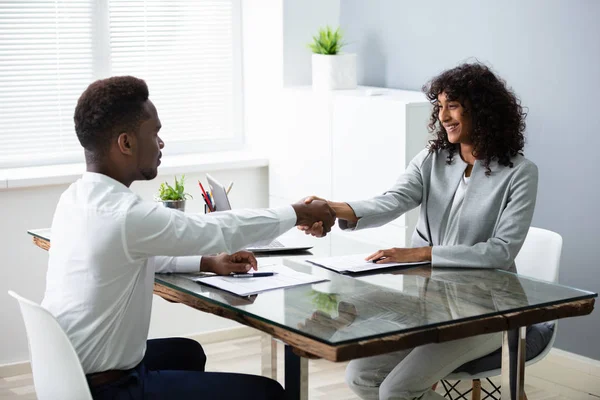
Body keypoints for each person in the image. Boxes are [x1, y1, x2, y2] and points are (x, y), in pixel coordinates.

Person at [41, 75, 336, 400]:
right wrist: (298, 213)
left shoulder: (76, 197)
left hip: (66, 372)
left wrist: (209, 261)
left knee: (188, 353)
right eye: (154, 133)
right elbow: (217, 229)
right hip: (108, 389)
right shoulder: (125, 214)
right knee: (268, 393)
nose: (161, 143)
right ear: (125, 143)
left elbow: (130, 255)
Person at [300, 62, 538, 400]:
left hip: (486, 313)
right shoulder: (433, 158)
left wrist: (422, 253)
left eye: (452, 105)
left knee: (396, 391)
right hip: (427, 304)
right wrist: (333, 208)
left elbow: (500, 252)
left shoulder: (520, 173)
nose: (443, 116)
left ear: (482, 110)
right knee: (360, 376)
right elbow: (393, 201)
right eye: (439, 106)